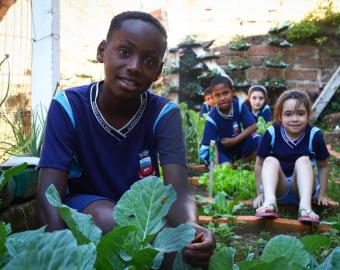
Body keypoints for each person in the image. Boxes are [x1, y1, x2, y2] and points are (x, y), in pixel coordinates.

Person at [36, 11, 215, 268]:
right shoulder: (69, 107)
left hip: (145, 212)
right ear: (101, 51)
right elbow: (47, 196)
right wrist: (57, 256)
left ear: (158, 72)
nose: (134, 66)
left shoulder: (164, 115)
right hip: (86, 208)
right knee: (109, 219)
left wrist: (190, 228)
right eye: (124, 52)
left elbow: (178, 191)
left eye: (149, 60)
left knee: (181, 249)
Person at [253, 89, 338, 223]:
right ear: (280, 115)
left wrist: (322, 194)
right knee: (269, 160)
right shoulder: (272, 132)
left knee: (304, 160)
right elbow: (259, 165)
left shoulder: (314, 135)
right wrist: (259, 193)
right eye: (288, 114)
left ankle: (305, 208)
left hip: (302, 190)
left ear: (308, 114)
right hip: (278, 189)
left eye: (300, 114)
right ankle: (269, 204)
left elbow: (323, 166)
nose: (294, 119)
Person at [199, 75, 260, 165]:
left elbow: (253, 126)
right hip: (219, 150)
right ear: (213, 97)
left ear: (232, 92)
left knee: (260, 141)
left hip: (237, 143)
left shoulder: (238, 105)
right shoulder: (212, 118)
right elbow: (212, 146)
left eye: (225, 93)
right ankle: (228, 166)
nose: (222, 98)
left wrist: (234, 140)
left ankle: (240, 165)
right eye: (217, 95)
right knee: (225, 166)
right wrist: (216, 166)